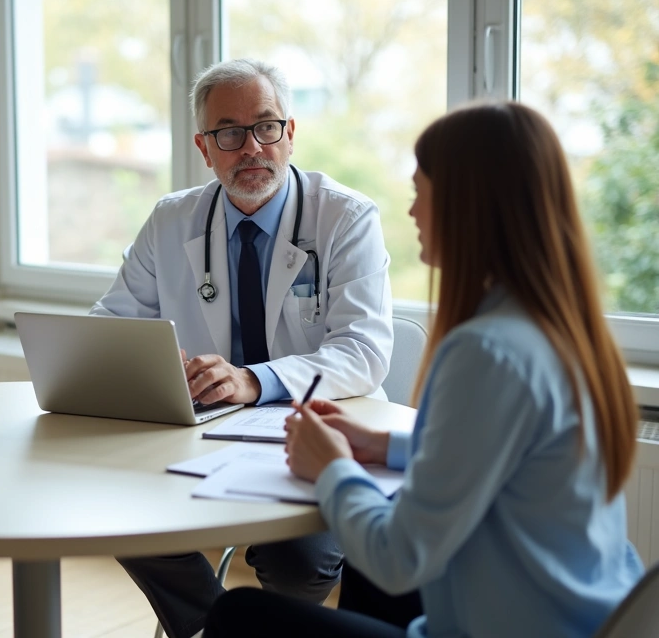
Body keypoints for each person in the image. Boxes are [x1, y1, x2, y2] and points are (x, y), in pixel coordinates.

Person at [205, 101, 644, 637]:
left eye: (420, 190)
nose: (412, 211)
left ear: (467, 204)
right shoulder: (562, 329)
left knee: (238, 614)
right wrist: (379, 446)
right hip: (587, 614)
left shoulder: (486, 351)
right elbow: (497, 453)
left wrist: (332, 466)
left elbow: (399, 557)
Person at [92, 58, 393, 638]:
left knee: (298, 561)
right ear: (205, 149)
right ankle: (219, 628)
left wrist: (255, 380)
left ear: (290, 132)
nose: (252, 147)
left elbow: (363, 351)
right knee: (116, 511)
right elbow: (111, 327)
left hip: (318, 428)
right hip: (205, 435)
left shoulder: (346, 217)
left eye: (267, 126)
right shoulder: (171, 219)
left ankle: (236, 628)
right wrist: (158, 367)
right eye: (229, 132)